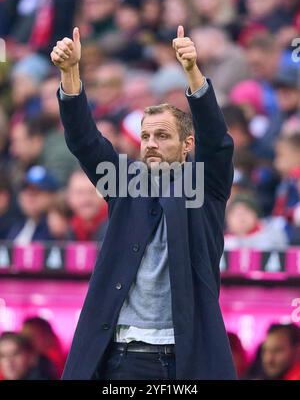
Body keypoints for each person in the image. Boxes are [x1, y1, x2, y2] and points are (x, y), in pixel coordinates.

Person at [51, 25, 236, 380]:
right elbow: (84, 141)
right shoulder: (124, 182)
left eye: (162, 135)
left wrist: (193, 72)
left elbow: (217, 142)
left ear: (187, 145)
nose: (150, 143)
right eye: (145, 135)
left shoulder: (206, 185)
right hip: (123, 358)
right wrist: (70, 73)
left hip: (187, 360)